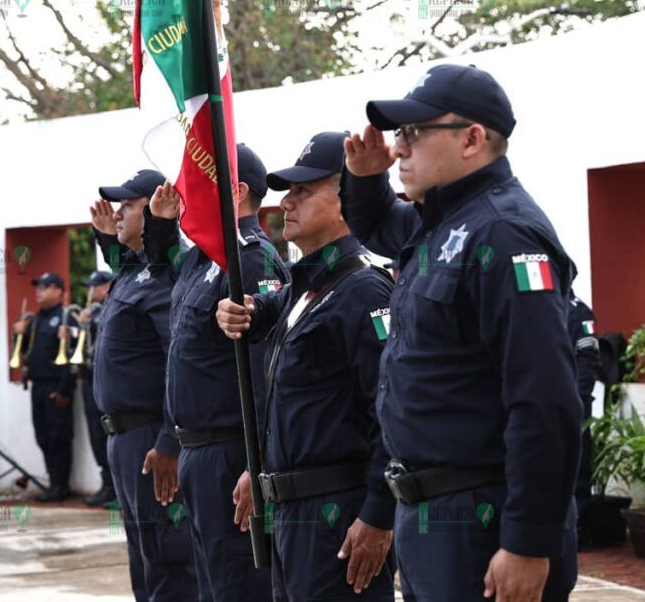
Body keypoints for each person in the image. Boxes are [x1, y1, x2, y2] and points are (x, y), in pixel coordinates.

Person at [341, 63, 582, 600]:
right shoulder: (443, 222)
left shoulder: (503, 231)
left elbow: (544, 399)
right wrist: (363, 179)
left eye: (413, 133)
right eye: (399, 134)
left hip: (482, 517)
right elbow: (379, 227)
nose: (400, 149)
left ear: (472, 138)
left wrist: (527, 540)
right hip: (431, 518)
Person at [215, 132, 396, 601]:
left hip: (337, 515)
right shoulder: (306, 289)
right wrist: (262, 470)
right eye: (287, 192)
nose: (286, 203)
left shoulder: (365, 292)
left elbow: (392, 414)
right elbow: (285, 393)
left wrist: (378, 515)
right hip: (291, 513)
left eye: (303, 191)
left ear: (345, 202)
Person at [143, 144, 288, 601]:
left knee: (240, 585)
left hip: (231, 454)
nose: (188, 191)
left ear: (238, 191)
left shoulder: (252, 258)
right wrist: (162, 225)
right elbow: (157, 270)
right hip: (198, 454)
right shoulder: (201, 258)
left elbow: (269, 369)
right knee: (211, 586)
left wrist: (257, 461)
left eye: (201, 182)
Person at [90, 169, 198, 601]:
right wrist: (106, 238)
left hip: (150, 437)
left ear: (157, 208)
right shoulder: (135, 270)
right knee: (143, 557)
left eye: (128, 206)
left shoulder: (166, 274)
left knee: (170, 558)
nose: (117, 213)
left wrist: (169, 441)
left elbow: (179, 362)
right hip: (123, 437)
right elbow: (130, 266)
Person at [12, 271, 79, 502]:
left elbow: (74, 357)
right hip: (38, 386)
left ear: (59, 292)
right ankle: (53, 482)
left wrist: (64, 390)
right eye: (38, 286)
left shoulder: (66, 317)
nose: (39, 291)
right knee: (43, 437)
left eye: (46, 286)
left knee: (59, 437)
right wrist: (17, 336)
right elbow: (22, 354)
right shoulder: (36, 319)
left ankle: (61, 485)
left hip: (56, 386)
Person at [78, 269, 117, 508]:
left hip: (107, 380)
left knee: (106, 433)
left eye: (93, 286)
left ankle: (114, 488)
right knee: (95, 433)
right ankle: (106, 484)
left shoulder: (108, 308)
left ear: (104, 287)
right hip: (89, 378)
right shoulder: (89, 313)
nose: (89, 291)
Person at [569, 292, 600, 547]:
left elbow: (587, 360)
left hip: (574, 403)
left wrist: (577, 398)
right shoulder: (543, 306)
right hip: (544, 403)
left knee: (577, 467)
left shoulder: (577, 311)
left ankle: (578, 527)